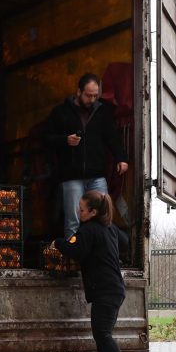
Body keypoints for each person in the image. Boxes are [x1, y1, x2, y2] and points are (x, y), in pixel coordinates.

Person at [45, 73, 129, 238]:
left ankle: (103, 254)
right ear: (78, 92)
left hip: (97, 175)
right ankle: (73, 259)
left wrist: (121, 158)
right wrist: (65, 140)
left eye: (95, 95)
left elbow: (112, 137)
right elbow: (46, 138)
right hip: (71, 176)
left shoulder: (102, 112)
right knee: (73, 220)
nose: (92, 99)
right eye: (88, 95)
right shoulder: (60, 112)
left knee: (104, 218)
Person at [51, 190, 128, 352]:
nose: (79, 213)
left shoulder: (88, 230)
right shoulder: (110, 228)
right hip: (114, 289)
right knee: (102, 335)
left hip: (105, 291)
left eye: (83, 210)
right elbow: (125, 242)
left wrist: (58, 243)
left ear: (93, 212)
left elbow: (76, 251)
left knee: (102, 335)